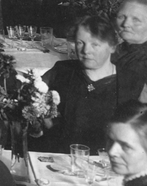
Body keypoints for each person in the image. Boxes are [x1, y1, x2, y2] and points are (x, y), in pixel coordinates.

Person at [40, 16, 147, 153]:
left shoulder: (133, 82)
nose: (86, 51)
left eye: (95, 44)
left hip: (110, 163)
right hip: (62, 159)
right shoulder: (62, 71)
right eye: (80, 43)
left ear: (112, 47)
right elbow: (33, 101)